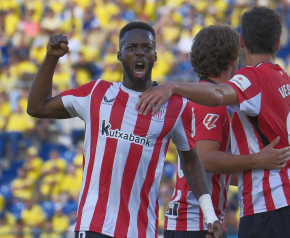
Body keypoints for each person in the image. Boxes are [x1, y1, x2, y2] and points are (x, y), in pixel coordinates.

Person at [26, 22, 223, 238]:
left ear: (155, 56)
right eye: (131, 47)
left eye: (146, 48)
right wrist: (51, 58)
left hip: (142, 231)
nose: (139, 52)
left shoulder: (175, 106)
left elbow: (191, 160)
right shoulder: (96, 94)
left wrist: (210, 215)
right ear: (120, 54)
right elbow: (38, 107)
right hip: (94, 226)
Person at [136, 7, 290, 238]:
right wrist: (256, 160)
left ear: (243, 41)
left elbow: (218, 100)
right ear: (278, 43)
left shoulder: (240, 87)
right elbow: (206, 159)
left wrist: (174, 86)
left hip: (267, 204)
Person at [164, 23, 290, 238]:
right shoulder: (211, 104)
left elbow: (217, 171)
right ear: (234, 62)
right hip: (196, 223)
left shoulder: (197, 98)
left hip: (193, 220)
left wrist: (259, 172)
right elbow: (205, 160)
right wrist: (257, 159)